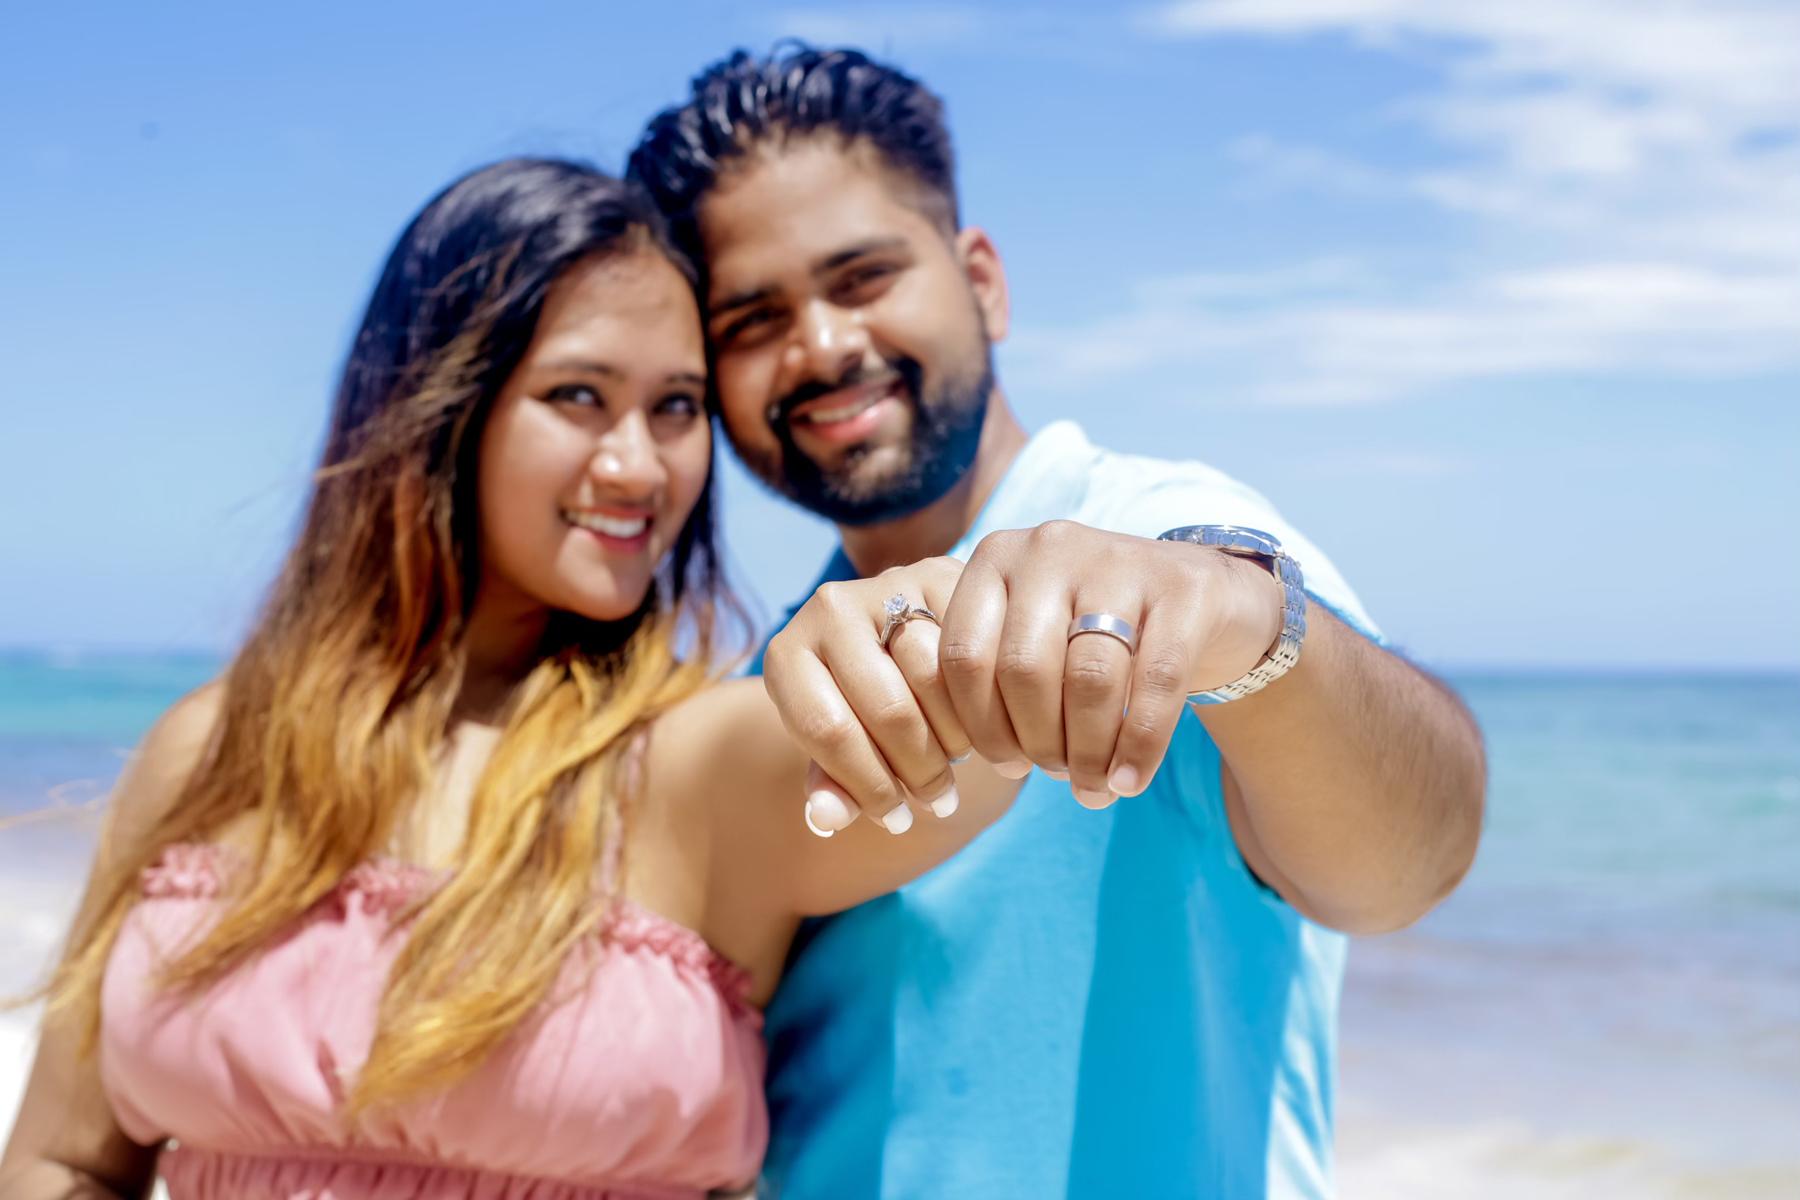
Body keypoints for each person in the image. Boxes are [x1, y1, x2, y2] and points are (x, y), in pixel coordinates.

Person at [0, 158, 1017, 1199]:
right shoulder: (212, 749)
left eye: (676, 407)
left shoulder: (692, 766)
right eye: (579, 396)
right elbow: (63, 1159)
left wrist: (1021, 608)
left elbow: (970, 724)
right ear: (437, 404)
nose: (639, 466)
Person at [629, 45, 1488, 1198]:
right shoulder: (774, 679)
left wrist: (1245, 622)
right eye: (753, 318)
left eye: (863, 276)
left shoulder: (1168, 540)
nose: (821, 345)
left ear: (982, 281)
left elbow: (1411, 865)